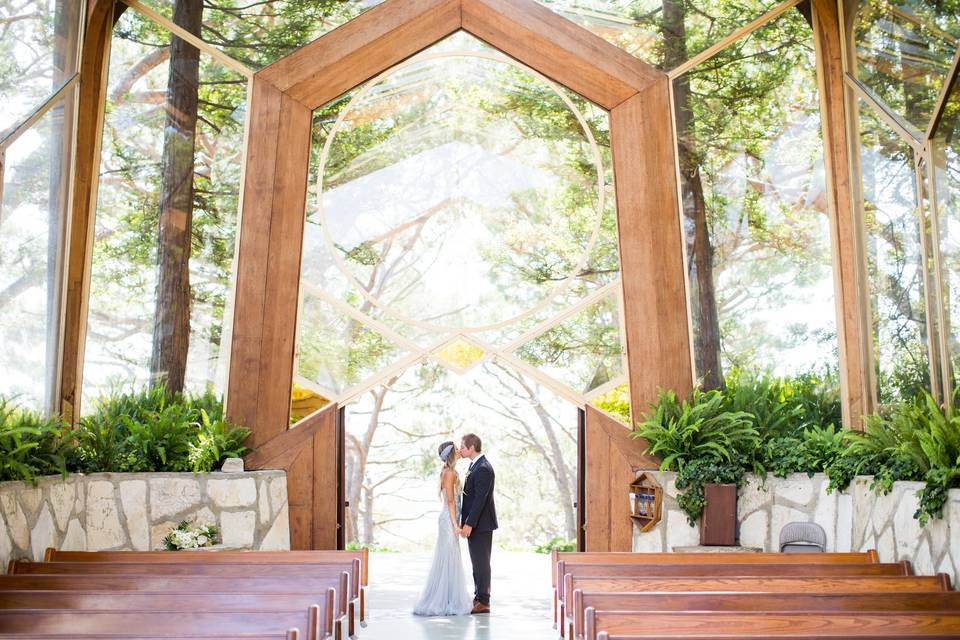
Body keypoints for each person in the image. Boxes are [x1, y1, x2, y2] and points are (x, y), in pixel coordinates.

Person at [412, 441, 473, 616]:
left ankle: (448, 597)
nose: (459, 451)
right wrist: (456, 525)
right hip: (448, 520)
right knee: (448, 557)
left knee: (451, 557)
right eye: (456, 449)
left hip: (451, 518)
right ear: (451, 454)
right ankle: (444, 600)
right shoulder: (449, 473)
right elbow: (451, 501)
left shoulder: (451, 472)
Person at [458, 433, 497, 614]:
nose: (461, 450)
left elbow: (480, 500)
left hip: (480, 525)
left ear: (472, 447)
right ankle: (478, 596)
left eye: (463, 447)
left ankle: (484, 601)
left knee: (481, 563)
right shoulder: (475, 465)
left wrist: (469, 524)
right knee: (476, 562)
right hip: (476, 524)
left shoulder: (483, 468)